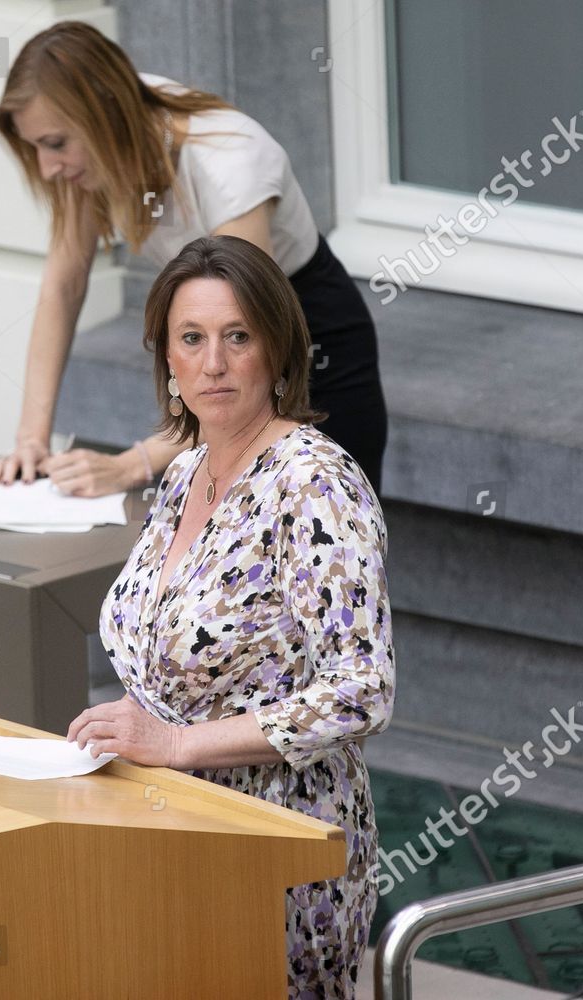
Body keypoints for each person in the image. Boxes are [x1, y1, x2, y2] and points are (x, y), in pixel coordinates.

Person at [67, 236, 394, 999]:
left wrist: (178, 743)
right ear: (169, 365)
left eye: (237, 337)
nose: (213, 362)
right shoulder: (185, 472)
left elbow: (362, 688)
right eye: (192, 339)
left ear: (277, 353)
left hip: (273, 850)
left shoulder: (315, 482)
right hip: (169, 827)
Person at [0, 20, 388, 497]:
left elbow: (247, 349)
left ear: (104, 113)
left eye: (55, 144)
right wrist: (32, 439)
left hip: (310, 345)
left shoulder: (229, 167)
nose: (47, 167)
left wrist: (135, 465)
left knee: (319, 547)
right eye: (36, 147)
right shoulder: (112, 135)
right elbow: (65, 284)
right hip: (224, 348)